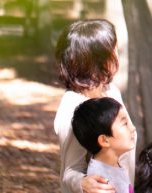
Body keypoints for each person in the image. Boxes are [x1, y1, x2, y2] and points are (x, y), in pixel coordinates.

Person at [54, 19, 136, 193]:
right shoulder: (72, 108)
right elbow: (69, 171)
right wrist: (83, 182)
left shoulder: (110, 90)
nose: (117, 52)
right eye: (112, 48)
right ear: (95, 58)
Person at [72, 97, 137, 193]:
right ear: (104, 140)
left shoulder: (113, 165)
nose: (133, 128)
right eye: (125, 123)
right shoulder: (102, 184)